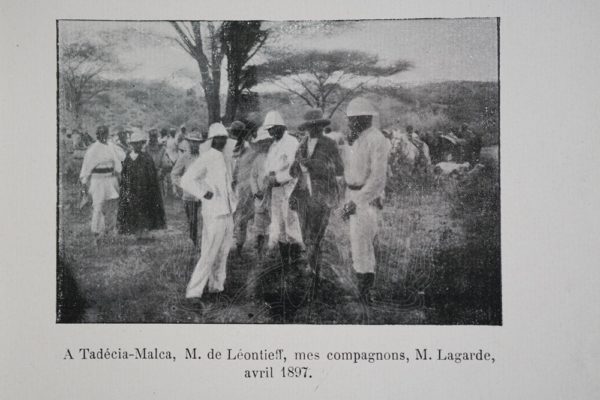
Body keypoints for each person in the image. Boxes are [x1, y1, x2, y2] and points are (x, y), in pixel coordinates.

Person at [340, 97, 391, 304]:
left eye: (354, 119)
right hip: (354, 195)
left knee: (363, 246)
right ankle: (362, 291)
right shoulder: (358, 139)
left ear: (365, 118)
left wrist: (357, 201)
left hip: (365, 198)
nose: (351, 123)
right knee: (357, 244)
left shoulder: (377, 139)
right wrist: (348, 199)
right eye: (350, 120)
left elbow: (378, 179)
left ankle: (365, 294)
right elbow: (352, 173)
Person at [290, 108, 344, 296]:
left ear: (321, 126)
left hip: (322, 196)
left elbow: (339, 169)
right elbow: (292, 171)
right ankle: (312, 271)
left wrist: (315, 165)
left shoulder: (330, 144)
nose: (313, 129)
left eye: (316, 126)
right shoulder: (301, 144)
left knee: (317, 235)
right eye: (309, 126)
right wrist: (298, 165)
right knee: (306, 235)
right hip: (303, 195)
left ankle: (315, 273)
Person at [181, 123, 238, 300]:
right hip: (214, 211)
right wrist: (203, 192)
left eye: (224, 138)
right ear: (212, 140)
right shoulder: (207, 157)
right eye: (218, 138)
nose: (221, 141)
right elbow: (187, 179)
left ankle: (217, 287)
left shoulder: (226, 157)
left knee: (223, 251)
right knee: (209, 252)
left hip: (228, 211)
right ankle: (194, 292)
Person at [263, 111, 303, 268]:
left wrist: (278, 178)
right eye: (269, 130)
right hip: (276, 189)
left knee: (291, 221)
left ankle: (296, 259)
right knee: (278, 222)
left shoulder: (291, 142)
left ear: (280, 127)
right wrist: (270, 176)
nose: (270, 132)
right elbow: (268, 166)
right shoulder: (274, 145)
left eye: (272, 129)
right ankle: (284, 260)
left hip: (289, 188)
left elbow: (294, 168)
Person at [117, 129, 166, 238]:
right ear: (132, 145)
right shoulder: (128, 158)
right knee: (133, 209)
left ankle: (145, 231)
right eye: (135, 144)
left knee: (145, 209)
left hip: (145, 189)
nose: (137, 146)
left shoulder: (146, 157)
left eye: (139, 143)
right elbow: (124, 174)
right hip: (132, 189)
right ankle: (136, 231)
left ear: (142, 144)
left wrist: (151, 187)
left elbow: (152, 175)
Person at [79, 125, 122, 245]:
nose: (103, 136)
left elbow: (119, 162)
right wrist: (84, 185)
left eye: (105, 134)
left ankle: (109, 232)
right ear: (98, 135)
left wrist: (118, 174)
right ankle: (96, 235)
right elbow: (86, 169)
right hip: (98, 181)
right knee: (98, 207)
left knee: (111, 207)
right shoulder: (92, 150)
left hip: (110, 180)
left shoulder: (111, 147)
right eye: (101, 134)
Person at [170, 130, 208, 246]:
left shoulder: (205, 156)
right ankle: (194, 241)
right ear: (188, 143)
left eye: (197, 142)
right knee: (192, 219)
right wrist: (182, 185)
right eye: (192, 142)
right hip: (189, 194)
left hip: (204, 193)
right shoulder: (185, 157)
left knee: (207, 218)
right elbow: (174, 174)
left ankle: (207, 242)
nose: (194, 145)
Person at [228, 120, 253, 256]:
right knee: (230, 214)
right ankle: (231, 243)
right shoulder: (228, 146)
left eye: (235, 133)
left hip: (241, 184)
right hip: (230, 184)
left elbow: (246, 166)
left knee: (241, 215)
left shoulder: (247, 147)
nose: (233, 135)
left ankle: (239, 246)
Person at [248, 126, 273, 259]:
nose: (265, 145)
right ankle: (258, 252)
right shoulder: (258, 159)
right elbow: (253, 176)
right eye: (262, 143)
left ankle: (269, 252)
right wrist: (256, 190)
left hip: (273, 196)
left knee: (272, 224)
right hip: (260, 196)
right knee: (259, 225)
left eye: (267, 142)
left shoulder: (276, 156)